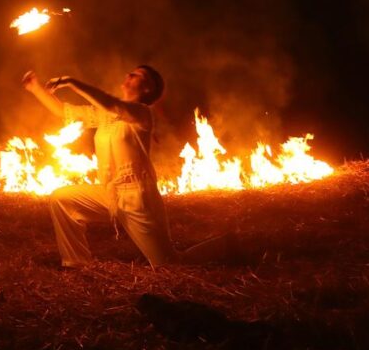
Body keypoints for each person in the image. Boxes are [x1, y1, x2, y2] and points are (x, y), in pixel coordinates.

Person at [22, 66, 232, 268]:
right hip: (109, 192)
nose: (129, 75)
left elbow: (113, 105)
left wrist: (72, 82)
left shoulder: (141, 113)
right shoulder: (105, 115)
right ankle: (75, 264)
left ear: (147, 88)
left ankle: (226, 244)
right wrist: (35, 88)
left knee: (169, 264)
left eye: (136, 75)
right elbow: (63, 111)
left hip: (137, 198)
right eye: (130, 73)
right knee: (62, 199)